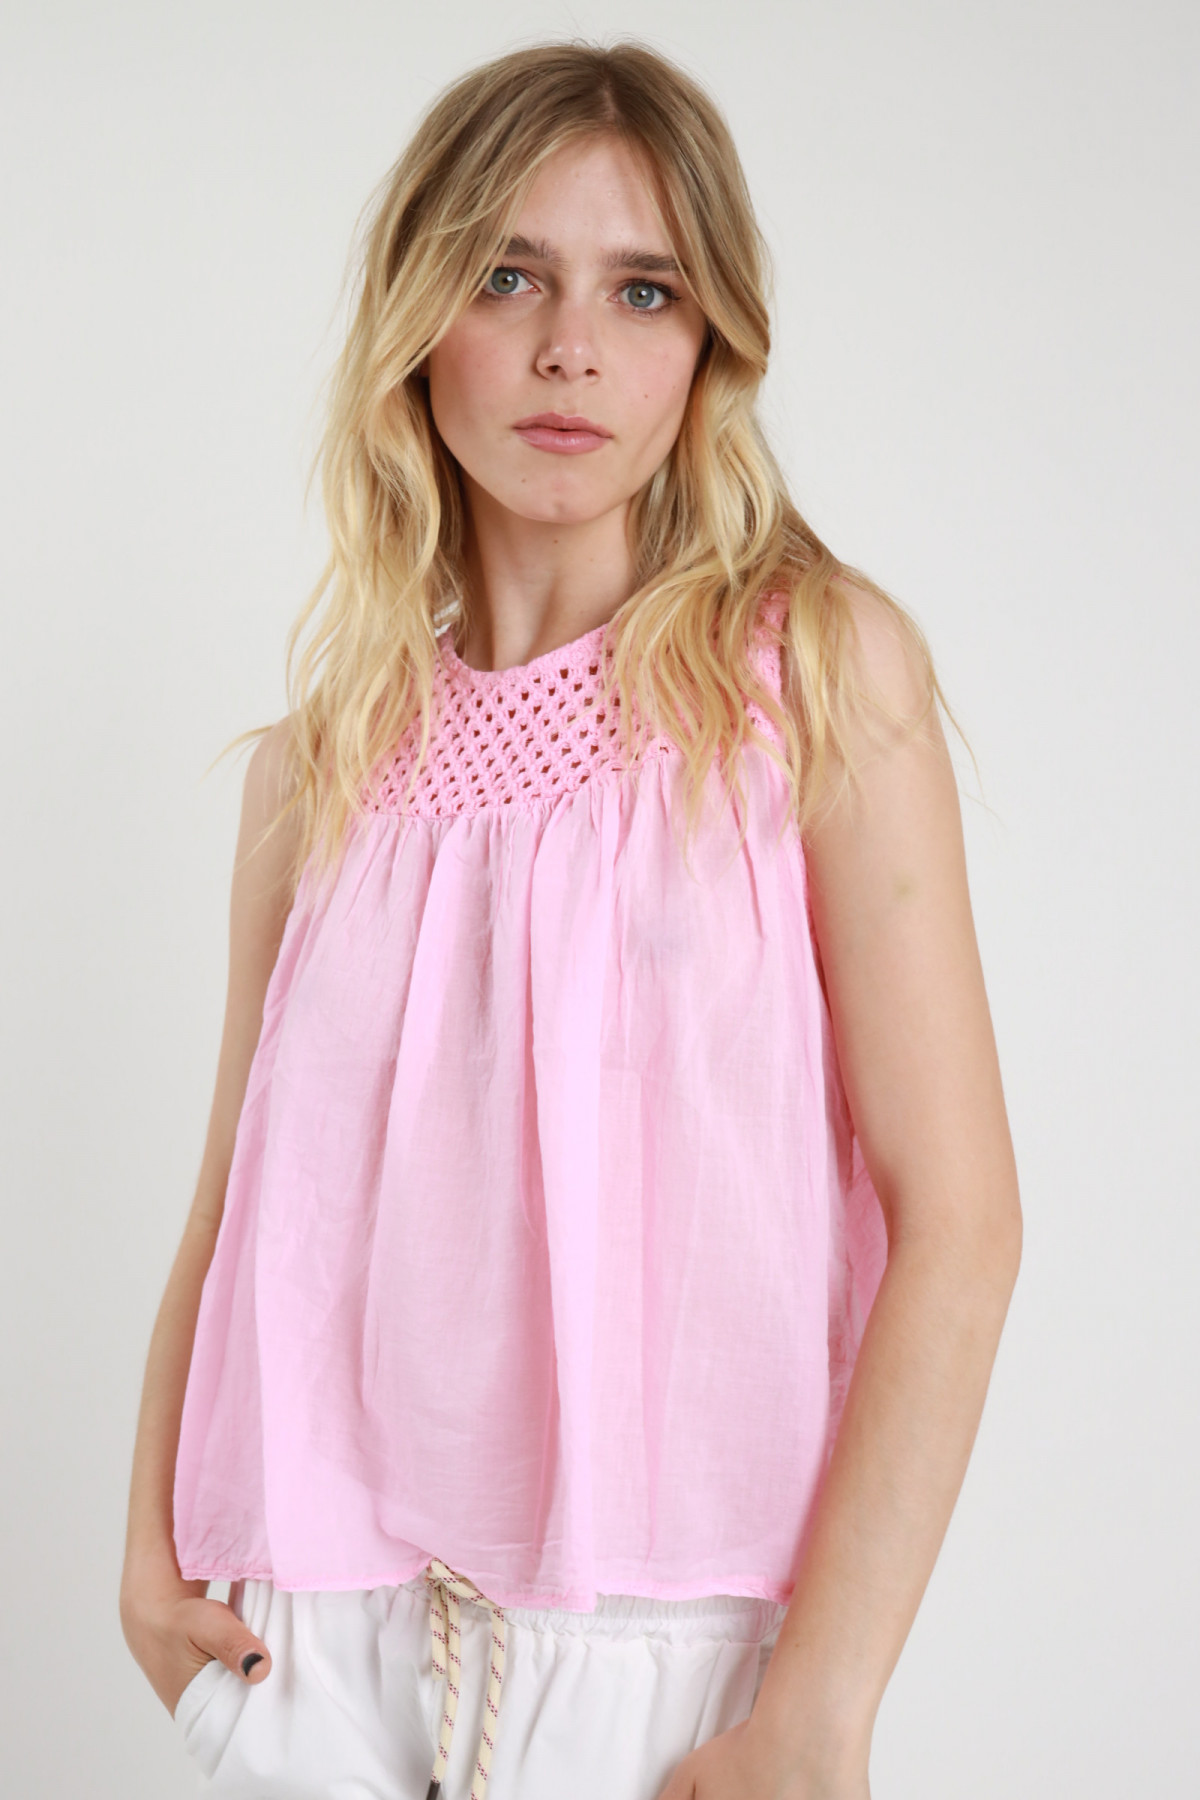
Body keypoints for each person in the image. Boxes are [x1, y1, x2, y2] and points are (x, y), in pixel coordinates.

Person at [119, 38, 1022, 1800]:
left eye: (644, 290)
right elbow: (230, 1199)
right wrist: (148, 1555)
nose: (571, 349)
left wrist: (821, 1710)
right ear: (416, 320)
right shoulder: (317, 768)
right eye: (507, 275)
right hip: (306, 1637)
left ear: (709, 345)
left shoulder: (815, 679)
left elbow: (963, 1220)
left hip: (671, 1653)